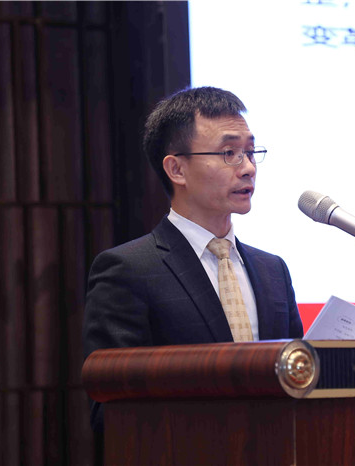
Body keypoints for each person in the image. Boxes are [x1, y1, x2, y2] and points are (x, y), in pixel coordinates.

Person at [82, 86, 303, 431]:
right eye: (229, 153)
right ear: (177, 170)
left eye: (250, 152)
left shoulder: (272, 270)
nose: (248, 168)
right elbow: (111, 411)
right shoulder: (128, 270)